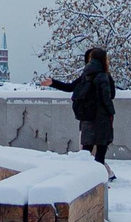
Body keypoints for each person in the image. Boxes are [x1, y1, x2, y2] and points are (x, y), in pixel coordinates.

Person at [39, 45, 117, 179]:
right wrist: (111, 112)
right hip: (101, 119)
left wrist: (53, 82)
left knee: (86, 153)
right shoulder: (103, 76)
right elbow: (109, 97)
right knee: (100, 151)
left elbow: (70, 87)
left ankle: (83, 179)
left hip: (87, 118)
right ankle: (98, 181)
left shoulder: (86, 75)